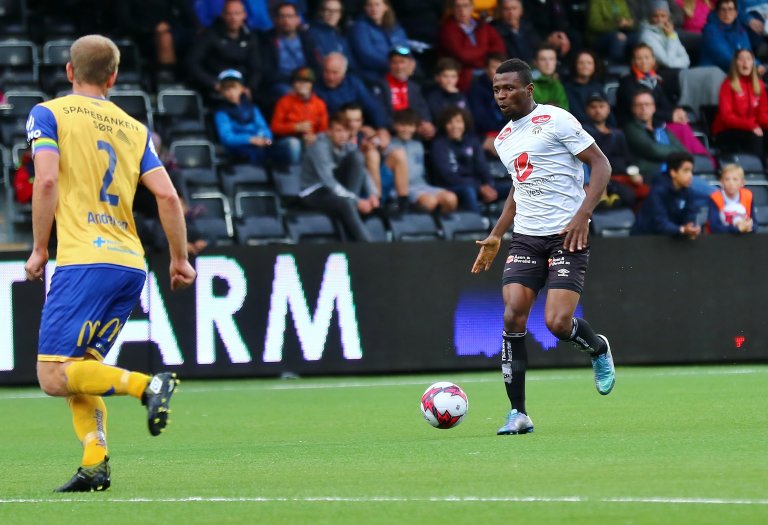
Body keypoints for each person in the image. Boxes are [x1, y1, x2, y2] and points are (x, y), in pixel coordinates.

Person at [23, 35, 196, 492]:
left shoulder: (49, 113)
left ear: (68, 71)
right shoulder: (135, 128)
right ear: (113, 77)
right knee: (80, 370)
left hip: (84, 260)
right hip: (129, 263)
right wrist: (179, 259)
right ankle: (95, 463)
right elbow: (167, 195)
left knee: (51, 375)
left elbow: (45, 182)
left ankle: (147, 385)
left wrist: (40, 248)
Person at [471, 58, 616, 436]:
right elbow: (518, 189)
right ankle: (517, 413)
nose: (501, 95)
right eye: (497, 90)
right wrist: (498, 233)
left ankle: (597, 348)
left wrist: (583, 214)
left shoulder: (557, 120)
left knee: (556, 323)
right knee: (512, 314)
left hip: (568, 235)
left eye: (509, 88)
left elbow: (601, 166)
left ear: (528, 89)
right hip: (527, 237)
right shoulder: (503, 139)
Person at [299, 112, 377, 242]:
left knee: (357, 157)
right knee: (346, 203)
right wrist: (357, 201)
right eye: (338, 131)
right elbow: (328, 181)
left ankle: (354, 242)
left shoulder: (347, 145)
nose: (342, 135)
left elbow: (362, 170)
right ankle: (368, 245)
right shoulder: (319, 147)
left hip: (336, 188)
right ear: (329, 132)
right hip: (313, 191)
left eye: (345, 131)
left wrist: (372, 194)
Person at [185, 0, 262, 101]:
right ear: (222, 15)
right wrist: (213, 83)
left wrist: (249, 87)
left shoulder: (250, 37)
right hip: (214, 88)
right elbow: (192, 62)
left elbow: (256, 67)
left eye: (237, 13)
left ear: (244, 15)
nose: (233, 18)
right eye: (229, 14)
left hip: (242, 88)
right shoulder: (210, 35)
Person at [583, 92, 646, 207]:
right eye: (593, 107)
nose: (597, 110)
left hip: (622, 176)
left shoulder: (618, 133)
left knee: (645, 192)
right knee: (628, 196)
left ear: (608, 109)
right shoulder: (584, 132)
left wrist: (636, 173)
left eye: (601, 106)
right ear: (587, 110)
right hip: (602, 178)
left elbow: (628, 158)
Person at [391, 108, 459, 213]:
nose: (406, 129)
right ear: (395, 125)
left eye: (410, 125)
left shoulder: (418, 145)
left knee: (451, 199)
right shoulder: (389, 145)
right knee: (429, 202)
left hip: (421, 185)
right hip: (401, 189)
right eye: (402, 125)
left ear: (415, 127)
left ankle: (440, 227)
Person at [431, 106, 498, 212]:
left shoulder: (473, 141)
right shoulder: (439, 145)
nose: (454, 126)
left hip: (477, 185)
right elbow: (447, 176)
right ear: (444, 125)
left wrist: (489, 184)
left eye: (458, 121)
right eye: (450, 123)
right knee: (469, 191)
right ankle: (478, 225)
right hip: (451, 186)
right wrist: (479, 187)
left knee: (513, 188)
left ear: (464, 123)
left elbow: (482, 167)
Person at [260, 2, 321, 104]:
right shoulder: (266, 40)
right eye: (282, 16)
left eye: (290, 16)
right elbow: (267, 71)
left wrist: (306, 81)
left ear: (298, 19)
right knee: (292, 97)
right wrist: (294, 81)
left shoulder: (306, 38)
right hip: (281, 82)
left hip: (306, 80)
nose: (286, 20)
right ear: (275, 20)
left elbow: (315, 64)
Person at [439, 0, 506, 92]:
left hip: (488, 71)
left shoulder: (482, 25)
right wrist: (485, 49)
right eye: (458, 7)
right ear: (453, 9)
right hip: (466, 76)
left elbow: (499, 47)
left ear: (472, 8)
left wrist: (483, 59)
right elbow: (463, 55)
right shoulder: (448, 30)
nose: (462, 10)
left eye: (465, 6)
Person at [712, 48, 768, 157]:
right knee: (755, 137)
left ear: (753, 63)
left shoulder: (759, 85)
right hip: (727, 130)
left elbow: (762, 113)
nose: (745, 62)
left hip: (752, 127)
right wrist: (750, 126)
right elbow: (727, 117)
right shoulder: (727, 85)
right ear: (735, 63)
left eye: (748, 59)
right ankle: (756, 171)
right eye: (741, 59)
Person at [631, 151, 702, 237]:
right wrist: (682, 229)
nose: (690, 175)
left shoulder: (689, 192)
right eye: (685, 171)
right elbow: (660, 223)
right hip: (644, 239)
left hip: (671, 238)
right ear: (673, 172)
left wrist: (692, 227)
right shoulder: (657, 191)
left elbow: (690, 216)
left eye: (691, 171)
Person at [270, 67, 329, 168]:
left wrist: (315, 137)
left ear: (312, 84)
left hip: (310, 139)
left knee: (321, 144)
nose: (303, 85)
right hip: (289, 140)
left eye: (306, 82)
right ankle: (294, 173)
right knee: (294, 144)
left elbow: (324, 129)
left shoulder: (319, 104)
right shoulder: (284, 102)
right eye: (299, 82)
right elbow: (275, 127)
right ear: (293, 84)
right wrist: (295, 127)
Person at [213, 69, 273, 165]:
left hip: (261, 145)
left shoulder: (252, 108)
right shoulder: (221, 112)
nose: (231, 92)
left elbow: (264, 128)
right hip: (238, 149)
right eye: (227, 89)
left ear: (242, 88)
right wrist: (250, 139)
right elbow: (227, 138)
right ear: (221, 91)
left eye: (234, 87)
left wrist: (266, 140)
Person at [374, 47, 435, 139]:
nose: (399, 67)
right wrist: (402, 127)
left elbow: (423, 110)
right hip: (390, 134)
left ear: (410, 64)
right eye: (395, 62)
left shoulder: (414, 87)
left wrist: (425, 123)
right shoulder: (380, 86)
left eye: (402, 62)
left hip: (413, 133)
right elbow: (379, 113)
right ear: (389, 65)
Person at [348, 0, 410, 84]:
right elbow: (367, 55)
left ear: (386, 7)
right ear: (365, 8)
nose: (374, 9)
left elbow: (404, 49)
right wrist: (394, 65)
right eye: (370, 5)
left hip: (398, 73)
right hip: (374, 78)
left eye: (377, 5)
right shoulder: (360, 27)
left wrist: (408, 62)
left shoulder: (395, 27)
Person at [708, 163, 758, 233]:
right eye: (727, 179)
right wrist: (737, 229)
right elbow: (714, 227)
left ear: (742, 182)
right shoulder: (715, 198)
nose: (731, 183)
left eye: (735, 179)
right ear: (721, 182)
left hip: (744, 238)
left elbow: (755, 223)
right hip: (721, 239)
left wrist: (750, 226)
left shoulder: (748, 196)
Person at [564, 50, 609, 126]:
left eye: (589, 63)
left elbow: (607, 111)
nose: (585, 66)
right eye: (581, 63)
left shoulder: (598, 87)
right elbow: (576, 114)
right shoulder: (568, 88)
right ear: (575, 66)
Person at [491, 0, 541, 65]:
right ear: (500, 11)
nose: (511, 12)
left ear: (521, 11)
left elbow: (537, 47)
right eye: (506, 9)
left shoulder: (528, 27)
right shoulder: (494, 30)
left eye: (514, 8)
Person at [532, 44, 569, 109]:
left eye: (551, 59)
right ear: (535, 62)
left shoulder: (558, 84)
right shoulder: (527, 83)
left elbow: (565, 112)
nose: (548, 63)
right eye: (543, 59)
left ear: (556, 62)